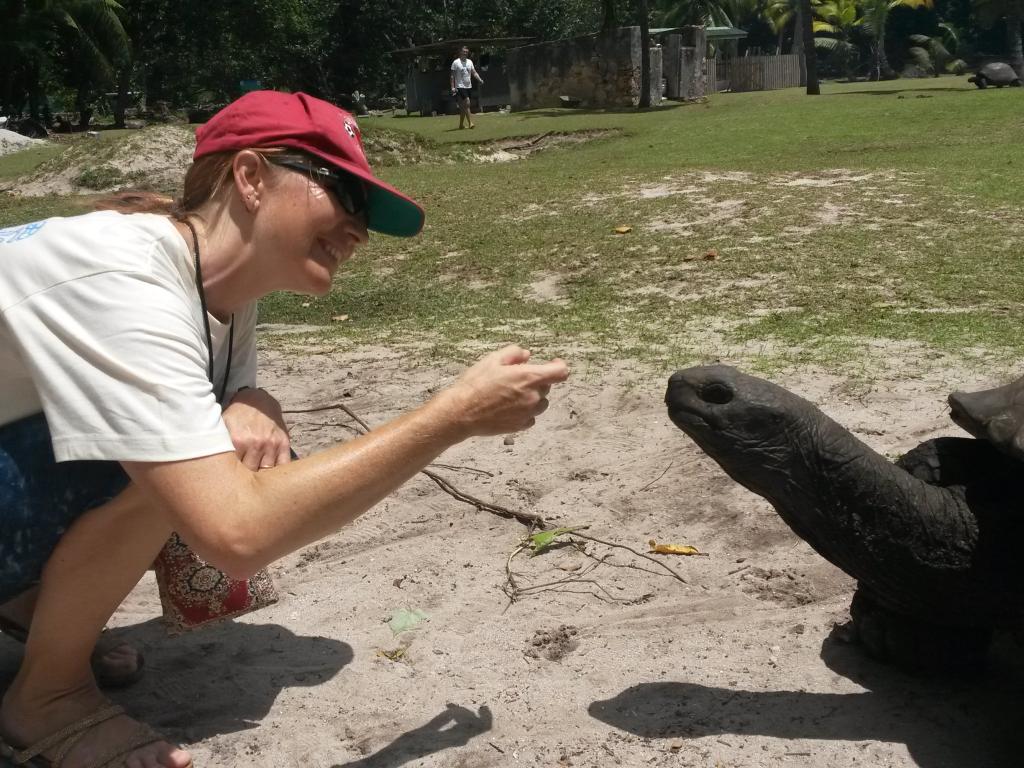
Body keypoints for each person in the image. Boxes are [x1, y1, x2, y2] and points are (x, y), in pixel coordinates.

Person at [0, 90, 568, 768]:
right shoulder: (123, 276)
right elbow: (237, 534)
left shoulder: (215, 282)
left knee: (203, 447)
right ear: (250, 177)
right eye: (343, 194)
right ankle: (48, 695)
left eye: (366, 214)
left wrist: (255, 398)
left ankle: (37, 614)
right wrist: (451, 417)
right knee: (180, 471)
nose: (359, 231)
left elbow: (221, 404)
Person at [450, 46, 484, 129]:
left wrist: (479, 79)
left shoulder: (469, 62)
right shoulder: (456, 62)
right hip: (460, 86)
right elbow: (452, 76)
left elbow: (474, 72)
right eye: (464, 51)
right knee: (467, 103)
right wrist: (452, 87)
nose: (465, 53)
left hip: (468, 86)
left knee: (463, 107)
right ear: (460, 52)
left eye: (466, 52)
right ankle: (470, 123)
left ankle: (461, 125)